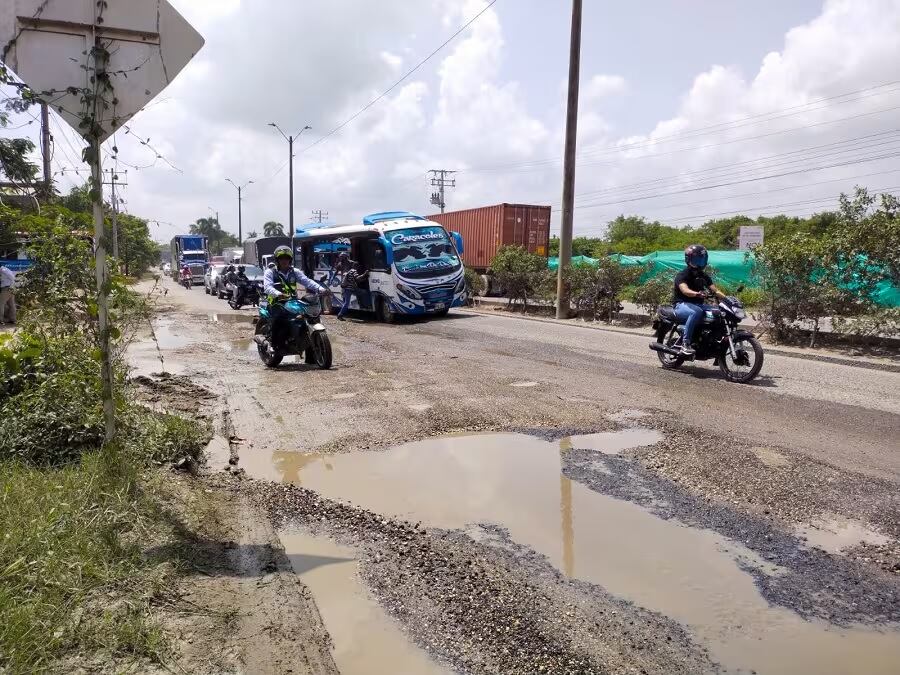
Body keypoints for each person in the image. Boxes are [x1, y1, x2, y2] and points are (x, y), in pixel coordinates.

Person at [257, 246, 326, 352]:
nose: (284, 260)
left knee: (306, 317)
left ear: (290, 259)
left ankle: (307, 346)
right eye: (281, 258)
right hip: (276, 302)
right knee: (280, 321)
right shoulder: (270, 272)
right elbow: (267, 287)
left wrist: (321, 289)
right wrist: (278, 294)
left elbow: (307, 281)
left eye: (287, 258)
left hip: (291, 301)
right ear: (277, 260)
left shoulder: (295, 271)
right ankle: (274, 345)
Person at [672, 245, 726, 356]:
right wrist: (697, 293)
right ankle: (685, 343)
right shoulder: (682, 275)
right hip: (681, 305)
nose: (700, 263)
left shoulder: (703, 275)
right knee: (696, 312)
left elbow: (715, 290)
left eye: (702, 260)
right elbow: (685, 290)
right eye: (697, 260)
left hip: (697, 304)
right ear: (689, 259)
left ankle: (714, 341)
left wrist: (727, 299)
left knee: (719, 311)